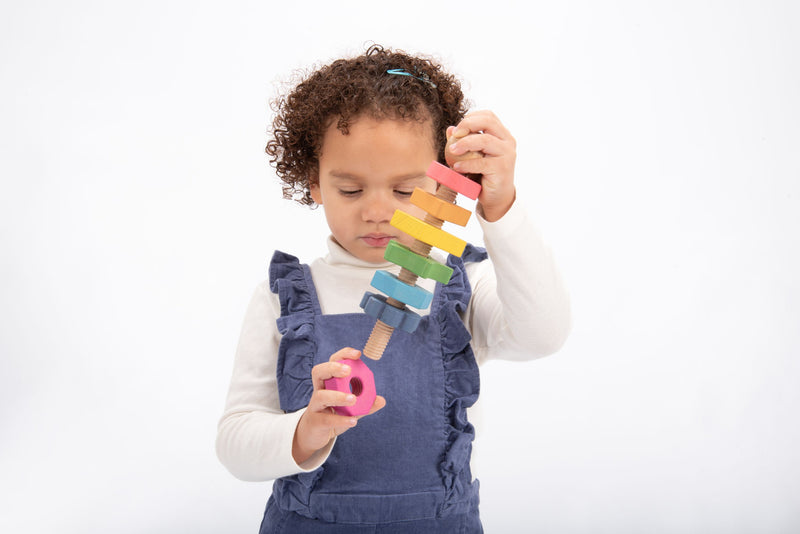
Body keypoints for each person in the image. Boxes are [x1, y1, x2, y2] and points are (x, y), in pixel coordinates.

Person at [216, 44, 571, 533]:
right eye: (350, 189)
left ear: (446, 182)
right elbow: (235, 443)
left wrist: (501, 209)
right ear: (314, 182)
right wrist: (305, 431)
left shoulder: (458, 279)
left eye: (405, 190)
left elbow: (543, 334)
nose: (378, 210)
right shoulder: (286, 297)